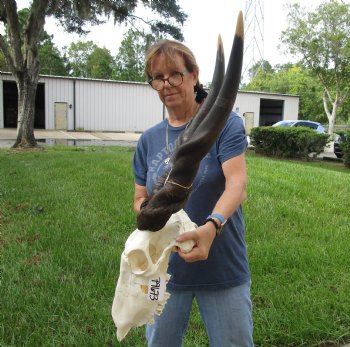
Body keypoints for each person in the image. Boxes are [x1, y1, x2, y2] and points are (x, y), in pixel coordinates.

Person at [132, 39, 253, 347]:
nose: (166, 84)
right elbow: (139, 198)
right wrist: (146, 213)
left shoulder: (225, 125)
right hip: (164, 271)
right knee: (159, 342)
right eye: (157, 78)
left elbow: (237, 186)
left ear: (195, 74)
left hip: (222, 265)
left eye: (175, 74)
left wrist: (212, 225)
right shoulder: (148, 139)